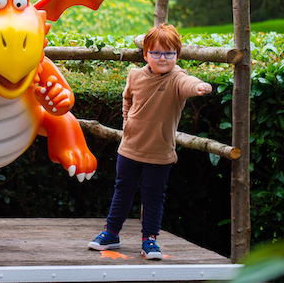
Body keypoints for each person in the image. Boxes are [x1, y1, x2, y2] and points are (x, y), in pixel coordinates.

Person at [88, 22, 213, 259]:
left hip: (159, 153)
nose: (162, 58)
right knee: (122, 191)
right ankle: (111, 233)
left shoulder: (177, 78)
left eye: (169, 53)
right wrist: (127, 123)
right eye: (156, 53)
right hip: (129, 149)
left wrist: (198, 86)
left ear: (177, 55)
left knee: (153, 195)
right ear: (146, 54)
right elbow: (127, 100)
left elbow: (188, 83)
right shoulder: (135, 75)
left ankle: (149, 240)